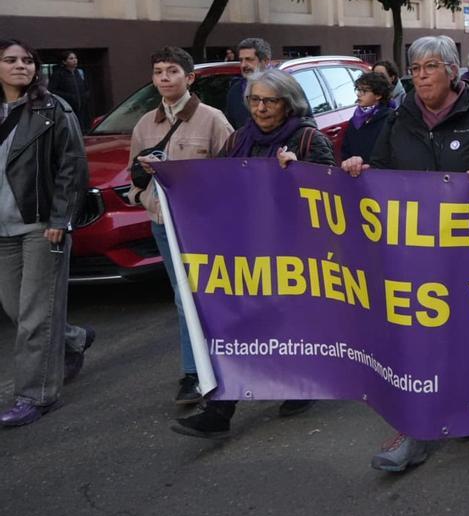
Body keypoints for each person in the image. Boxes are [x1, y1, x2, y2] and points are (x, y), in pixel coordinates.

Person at [342, 35, 469, 474]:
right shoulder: (398, 118)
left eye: (430, 67)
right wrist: (360, 171)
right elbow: (381, 174)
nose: (421, 77)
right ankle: (417, 429)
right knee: (418, 341)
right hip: (415, 257)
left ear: (452, 71)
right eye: (415, 69)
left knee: (468, 337)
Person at [172, 68, 333, 439]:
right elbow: (214, 184)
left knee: (289, 325)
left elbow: (329, 194)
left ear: (288, 104)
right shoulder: (238, 140)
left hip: (294, 254)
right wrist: (168, 176)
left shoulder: (308, 138)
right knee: (234, 325)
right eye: (255, 100)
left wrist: (298, 173)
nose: (260, 108)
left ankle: (301, 383)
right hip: (245, 250)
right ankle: (220, 409)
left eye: (269, 101)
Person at [125, 47, 233, 405]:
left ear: (189, 78)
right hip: (164, 225)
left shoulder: (213, 119)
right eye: (158, 72)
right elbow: (134, 177)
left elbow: (231, 174)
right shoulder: (145, 124)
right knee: (182, 295)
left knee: (215, 294)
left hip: (204, 226)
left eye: (172, 71)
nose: (164, 78)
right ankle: (192, 372)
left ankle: (230, 362)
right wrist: (146, 197)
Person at [0, 39, 87, 427]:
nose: (21, 66)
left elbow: (72, 167)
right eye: (10, 60)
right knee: (17, 310)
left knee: (35, 317)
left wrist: (60, 219)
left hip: (40, 226)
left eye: (27, 60)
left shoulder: (53, 109)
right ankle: (72, 339)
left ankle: (35, 395)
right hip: (2, 230)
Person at [341, 71, 393, 161]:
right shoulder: (354, 121)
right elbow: (346, 151)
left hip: (378, 169)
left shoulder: (390, 119)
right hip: (356, 169)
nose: (358, 94)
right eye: (358, 90)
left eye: (364, 91)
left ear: (378, 95)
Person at [224, 37, 271, 129]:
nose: (243, 65)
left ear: (265, 61)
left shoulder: (283, 88)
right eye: (241, 60)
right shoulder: (235, 91)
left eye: (249, 59)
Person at [48, 51, 91, 133]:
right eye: (71, 58)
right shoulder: (58, 74)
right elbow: (52, 90)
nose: (75, 60)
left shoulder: (79, 73)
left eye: (75, 58)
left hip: (81, 107)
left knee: (82, 129)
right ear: (64, 62)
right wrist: (69, 97)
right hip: (67, 108)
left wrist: (85, 96)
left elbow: (86, 87)